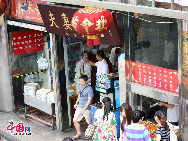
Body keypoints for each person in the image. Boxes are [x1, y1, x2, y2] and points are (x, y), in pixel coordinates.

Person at [72, 75, 94, 140]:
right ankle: (78, 134)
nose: (80, 82)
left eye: (81, 81)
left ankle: (90, 135)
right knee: (75, 120)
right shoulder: (80, 87)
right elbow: (79, 95)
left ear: (86, 81)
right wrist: (76, 103)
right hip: (79, 107)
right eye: (79, 81)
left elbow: (89, 100)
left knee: (89, 123)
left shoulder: (89, 89)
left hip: (87, 109)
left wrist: (84, 108)